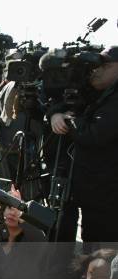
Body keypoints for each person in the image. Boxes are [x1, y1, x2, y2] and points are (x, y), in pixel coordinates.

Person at [49, 45, 118, 246]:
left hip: (108, 193)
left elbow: (94, 134)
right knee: (92, 241)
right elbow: (65, 103)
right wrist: (55, 114)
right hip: (94, 190)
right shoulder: (100, 93)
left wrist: (68, 121)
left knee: (102, 245)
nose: (96, 69)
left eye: (103, 64)